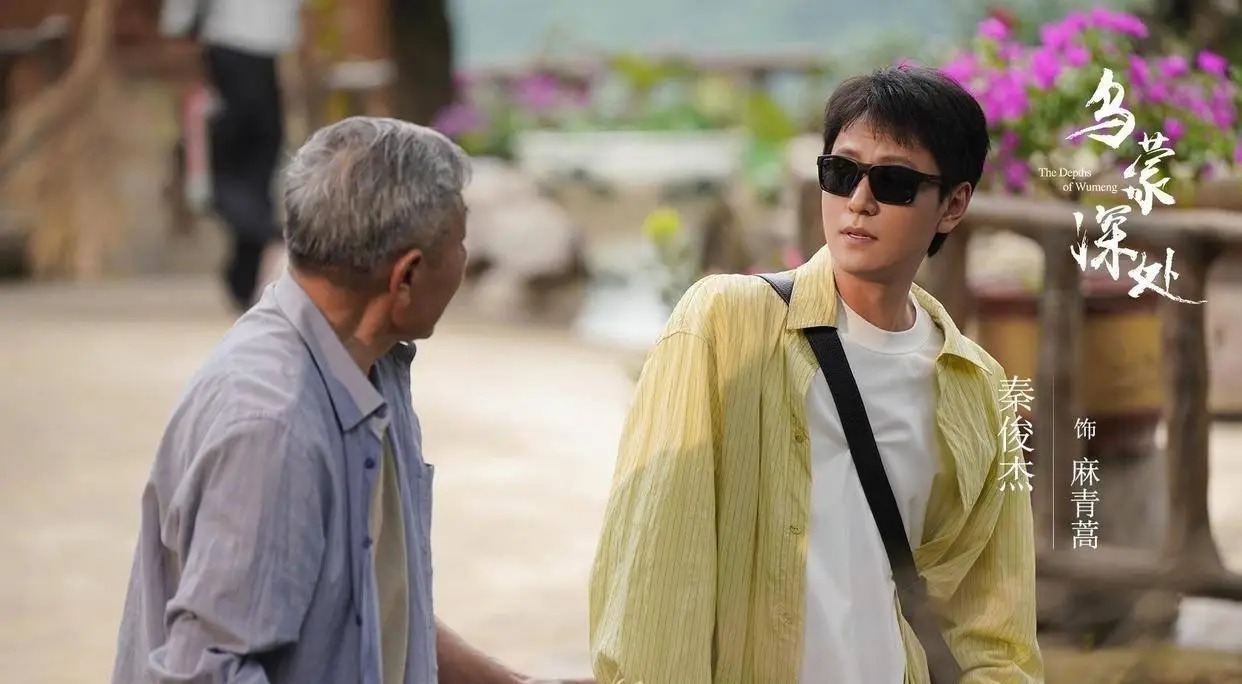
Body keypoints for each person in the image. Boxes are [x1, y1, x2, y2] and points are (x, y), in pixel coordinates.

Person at [589, 66, 1045, 683]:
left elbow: (995, 632)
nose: (860, 201)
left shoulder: (980, 388)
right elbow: (654, 566)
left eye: (894, 182)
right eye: (841, 172)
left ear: (953, 205)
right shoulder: (725, 323)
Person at [112, 117, 589, 684]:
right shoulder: (274, 426)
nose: (465, 262)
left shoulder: (371, 363)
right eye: (461, 244)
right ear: (406, 276)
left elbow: (369, 607)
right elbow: (209, 671)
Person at [160, 0, 300, 313]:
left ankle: (262, 243)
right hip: (250, 43)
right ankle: (264, 238)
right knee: (249, 155)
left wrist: (178, 23)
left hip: (246, 44)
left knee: (246, 158)